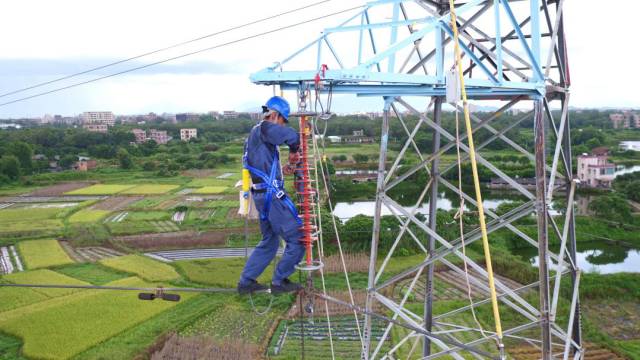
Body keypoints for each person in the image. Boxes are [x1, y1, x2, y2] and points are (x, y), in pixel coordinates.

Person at [237, 96, 305, 295]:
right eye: (282, 121)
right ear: (275, 115)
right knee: (298, 238)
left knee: (271, 241)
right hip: (271, 197)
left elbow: (261, 166)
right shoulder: (265, 127)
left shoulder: (255, 135)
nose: (282, 126)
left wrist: (283, 169)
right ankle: (279, 281)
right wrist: (294, 150)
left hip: (262, 195)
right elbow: (292, 136)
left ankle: (246, 282)